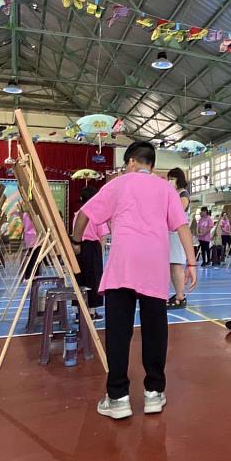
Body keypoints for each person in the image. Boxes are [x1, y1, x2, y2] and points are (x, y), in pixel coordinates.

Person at [73, 141, 197, 420]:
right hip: (153, 268)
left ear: (131, 162)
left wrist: (76, 242)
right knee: (155, 330)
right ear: (151, 164)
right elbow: (182, 226)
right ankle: (154, 393)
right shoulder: (166, 188)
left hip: (122, 267)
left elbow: (84, 214)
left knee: (118, 332)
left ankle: (118, 398)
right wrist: (191, 262)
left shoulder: (118, 184)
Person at [73, 186, 110, 322]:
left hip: (78, 247)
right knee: (94, 279)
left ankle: (79, 312)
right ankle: (92, 312)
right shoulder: (95, 214)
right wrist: (99, 255)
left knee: (80, 278)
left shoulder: (77, 214)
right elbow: (103, 236)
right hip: (93, 247)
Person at [166, 168, 190, 309]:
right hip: (170, 234)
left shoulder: (183, 195)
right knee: (172, 266)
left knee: (177, 266)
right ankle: (177, 294)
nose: (170, 181)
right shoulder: (174, 194)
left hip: (177, 235)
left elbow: (177, 212)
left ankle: (180, 296)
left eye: (172, 178)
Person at [22, 204, 41, 281]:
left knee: (34, 256)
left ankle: (31, 274)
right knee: (34, 257)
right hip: (34, 237)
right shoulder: (30, 215)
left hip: (30, 238)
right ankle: (30, 275)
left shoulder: (26, 214)